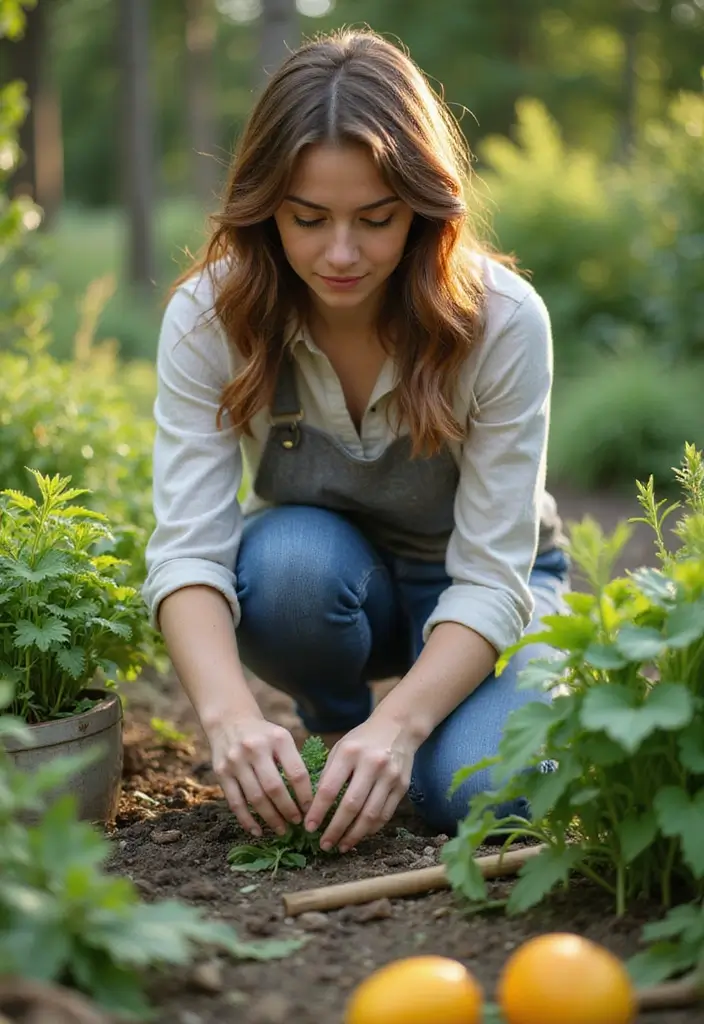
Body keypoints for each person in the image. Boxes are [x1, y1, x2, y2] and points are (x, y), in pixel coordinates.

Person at [143, 28, 569, 853]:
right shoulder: (209, 317)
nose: (341, 253)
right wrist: (229, 719)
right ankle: (336, 736)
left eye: (376, 219)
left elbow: (491, 575)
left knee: (485, 793)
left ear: (424, 207)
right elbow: (189, 552)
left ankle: (394, 742)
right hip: (335, 581)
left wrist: (404, 728)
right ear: (266, 206)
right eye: (308, 219)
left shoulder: (503, 322)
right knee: (288, 565)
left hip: (486, 592)